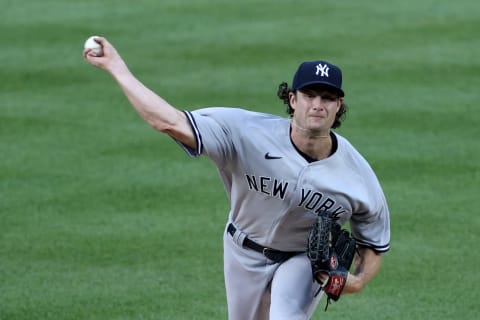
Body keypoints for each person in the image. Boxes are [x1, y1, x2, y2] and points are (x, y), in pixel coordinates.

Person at [83, 37, 390, 320]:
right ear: (293, 99)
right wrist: (117, 68)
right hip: (242, 251)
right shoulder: (245, 132)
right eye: (309, 95)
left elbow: (373, 240)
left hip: (302, 259)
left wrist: (357, 280)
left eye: (328, 97)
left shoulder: (357, 176)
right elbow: (168, 121)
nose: (318, 104)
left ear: (339, 107)